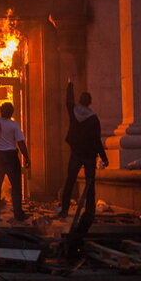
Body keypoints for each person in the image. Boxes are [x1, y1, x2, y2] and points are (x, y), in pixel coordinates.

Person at [59, 80, 108, 234]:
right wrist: (104, 157)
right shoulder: (94, 119)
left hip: (76, 153)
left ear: (80, 101)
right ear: (90, 103)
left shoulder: (74, 111)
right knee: (90, 184)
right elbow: (97, 140)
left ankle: (64, 210)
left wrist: (70, 85)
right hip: (89, 155)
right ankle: (90, 211)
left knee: (70, 182)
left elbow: (68, 101)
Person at [0, 102, 30, 223]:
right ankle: (18, 214)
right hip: (10, 157)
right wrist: (26, 157)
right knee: (16, 187)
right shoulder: (14, 125)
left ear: (0, 110)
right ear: (12, 113)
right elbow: (21, 142)